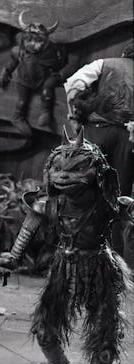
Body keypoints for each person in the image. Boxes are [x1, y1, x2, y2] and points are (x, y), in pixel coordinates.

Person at [63, 41, 133, 264]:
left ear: (124, 53)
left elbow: (74, 83)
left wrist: (74, 116)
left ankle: (79, 252)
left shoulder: (104, 63)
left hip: (96, 133)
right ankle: (115, 260)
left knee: (86, 189)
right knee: (120, 197)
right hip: (127, 136)